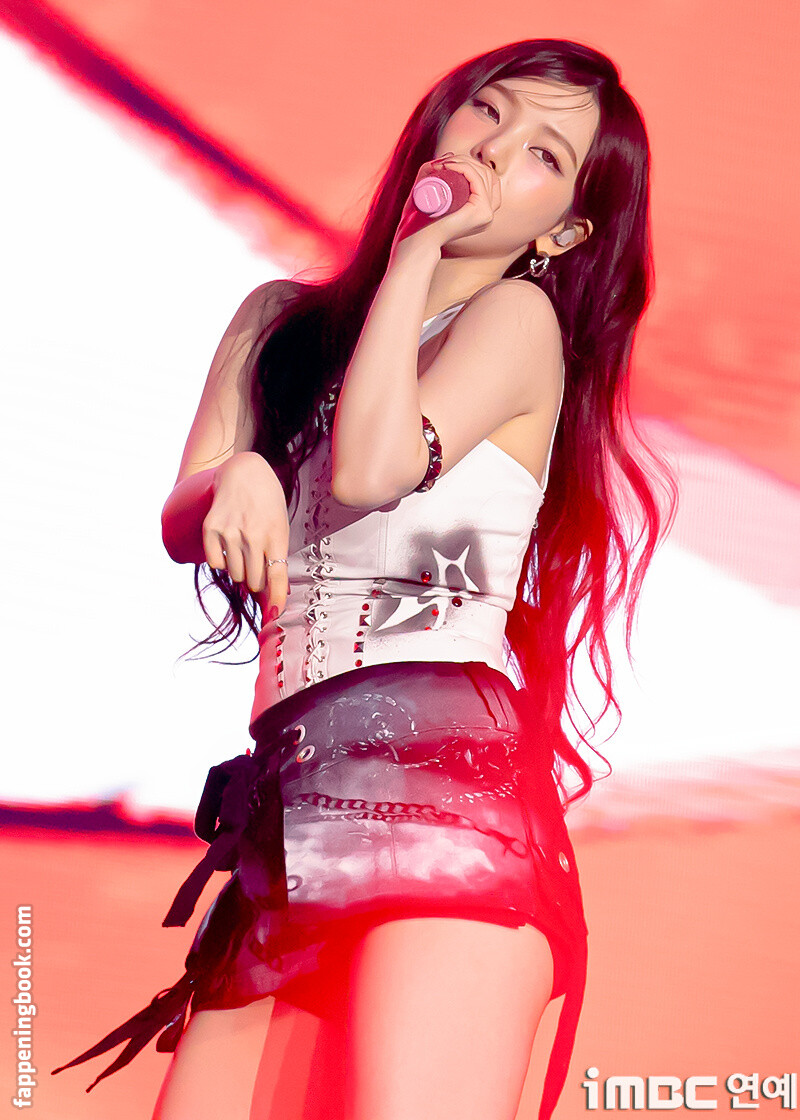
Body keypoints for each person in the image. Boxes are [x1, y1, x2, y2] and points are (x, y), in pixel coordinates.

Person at [52, 37, 675, 1120]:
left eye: (543, 155)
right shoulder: (274, 324)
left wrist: (415, 254)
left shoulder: (513, 322)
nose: (496, 151)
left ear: (563, 230)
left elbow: (374, 465)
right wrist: (238, 474)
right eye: (487, 113)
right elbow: (182, 516)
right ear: (439, 122)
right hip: (290, 804)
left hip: (448, 795)